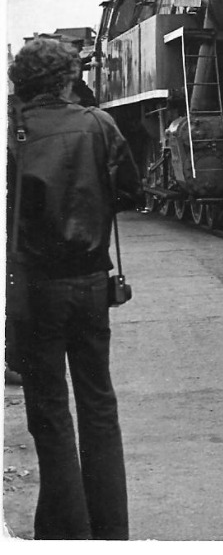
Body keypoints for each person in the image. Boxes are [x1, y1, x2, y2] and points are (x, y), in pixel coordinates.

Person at [6, 37, 141, 539]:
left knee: (50, 414)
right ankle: (111, 531)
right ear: (66, 79)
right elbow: (132, 192)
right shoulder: (100, 125)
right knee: (99, 405)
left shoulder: (14, 135)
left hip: (36, 289)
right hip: (90, 284)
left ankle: (65, 535)